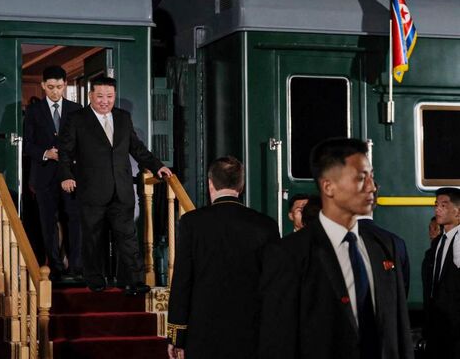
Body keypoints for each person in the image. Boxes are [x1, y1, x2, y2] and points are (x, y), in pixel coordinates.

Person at [259, 138, 413, 359]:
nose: (372, 186)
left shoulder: (384, 247)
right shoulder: (289, 254)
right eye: (361, 178)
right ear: (328, 187)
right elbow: (277, 344)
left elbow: (399, 333)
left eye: (371, 176)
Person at [59, 75, 172, 294]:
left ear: (114, 96)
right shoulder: (77, 119)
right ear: (91, 95)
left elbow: (137, 148)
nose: (105, 101)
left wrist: (157, 166)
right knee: (93, 238)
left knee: (127, 237)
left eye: (109, 96)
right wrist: (66, 175)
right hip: (91, 189)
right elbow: (65, 152)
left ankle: (133, 281)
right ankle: (95, 278)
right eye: (100, 96)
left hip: (121, 189)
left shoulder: (123, 117)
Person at [166, 156, 279, 359]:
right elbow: (274, 286)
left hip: (203, 332)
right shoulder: (266, 225)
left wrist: (177, 336)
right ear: (241, 185)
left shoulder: (192, 223)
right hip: (251, 331)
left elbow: (182, 281)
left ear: (210, 184)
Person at [24, 65, 83, 280]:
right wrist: (46, 153)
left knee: (74, 220)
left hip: (72, 175)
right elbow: (27, 145)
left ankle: (76, 267)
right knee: (48, 222)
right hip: (44, 176)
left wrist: (67, 155)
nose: (55, 92)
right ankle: (55, 269)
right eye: (50, 87)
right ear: (42, 86)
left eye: (59, 87)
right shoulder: (33, 111)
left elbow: (83, 143)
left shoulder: (76, 109)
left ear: (65, 85)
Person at [422, 187, 460, 359]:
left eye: (444, 205)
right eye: (436, 205)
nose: (437, 209)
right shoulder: (437, 243)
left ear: (457, 211)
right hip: (436, 327)